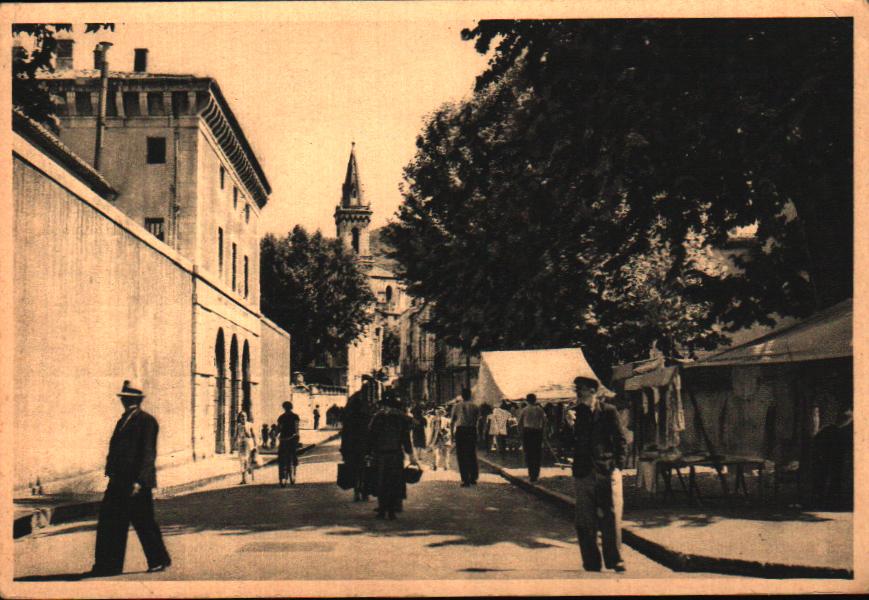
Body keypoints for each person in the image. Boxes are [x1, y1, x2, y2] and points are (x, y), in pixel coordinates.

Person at [88, 381, 171, 577]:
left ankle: (159, 560)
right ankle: (108, 565)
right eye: (123, 398)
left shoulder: (147, 421)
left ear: (135, 400)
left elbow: (148, 453)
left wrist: (140, 481)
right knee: (110, 522)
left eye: (127, 398)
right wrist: (109, 471)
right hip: (118, 481)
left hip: (135, 483)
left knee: (144, 522)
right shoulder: (123, 420)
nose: (124, 401)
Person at [572, 375, 628, 573]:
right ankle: (591, 562)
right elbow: (567, 442)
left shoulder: (608, 411)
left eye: (581, 388)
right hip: (583, 472)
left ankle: (615, 560)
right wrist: (569, 426)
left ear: (593, 391)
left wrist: (618, 466)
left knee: (610, 517)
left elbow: (621, 439)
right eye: (576, 389)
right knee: (584, 520)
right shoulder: (575, 413)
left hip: (606, 470)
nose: (577, 392)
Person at [368, 390, 419, 519]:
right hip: (395, 455)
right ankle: (391, 511)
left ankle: (382, 510)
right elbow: (406, 440)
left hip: (380, 455)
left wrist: (368, 453)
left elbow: (371, 437)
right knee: (393, 482)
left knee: (381, 482)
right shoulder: (401, 418)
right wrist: (412, 456)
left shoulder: (377, 417)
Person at [341, 384, 373, 501]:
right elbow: (370, 434)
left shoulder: (349, 420)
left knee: (354, 468)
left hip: (352, 447)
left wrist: (344, 450)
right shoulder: (366, 417)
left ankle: (356, 491)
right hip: (364, 447)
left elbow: (345, 435)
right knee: (365, 469)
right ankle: (364, 491)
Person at [451, 388, 481, 487]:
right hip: (472, 430)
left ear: (462, 396)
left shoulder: (457, 406)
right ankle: (473, 477)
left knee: (462, 455)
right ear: (470, 395)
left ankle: (465, 479)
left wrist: (452, 435)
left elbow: (452, 422)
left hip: (461, 431)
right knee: (472, 454)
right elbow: (478, 421)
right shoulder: (475, 406)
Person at [518, 393, 547, 482]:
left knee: (529, 454)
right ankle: (536, 474)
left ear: (527, 400)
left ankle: (531, 475)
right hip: (537, 432)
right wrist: (544, 433)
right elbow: (545, 421)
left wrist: (520, 433)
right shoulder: (540, 410)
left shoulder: (524, 410)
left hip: (528, 433)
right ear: (535, 400)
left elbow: (519, 423)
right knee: (537, 454)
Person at [277, 402, 300, 487]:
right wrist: (297, 437)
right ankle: (292, 472)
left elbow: (279, 428)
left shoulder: (281, 417)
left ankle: (286, 475)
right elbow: (296, 428)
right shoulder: (295, 416)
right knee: (292, 454)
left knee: (282, 456)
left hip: (286, 438)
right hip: (290, 438)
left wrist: (277, 434)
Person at [235, 411, 258, 485]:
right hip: (241, 444)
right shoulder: (238, 426)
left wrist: (255, 445)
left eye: (244, 416)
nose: (243, 418)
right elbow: (236, 435)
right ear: (239, 418)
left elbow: (253, 435)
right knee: (242, 461)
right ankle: (243, 479)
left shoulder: (250, 425)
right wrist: (235, 443)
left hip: (248, 444)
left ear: (246, 417)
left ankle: (249, 472)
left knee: (247, 461)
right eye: (241, 416)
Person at [429, 407, 453, 471]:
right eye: (438, 412)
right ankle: (435, 465)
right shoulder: (433, 420)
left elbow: (451, 430)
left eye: (440, 412)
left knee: (446, 453)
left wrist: (445, 430)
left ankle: (446, 466)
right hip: (436, 439)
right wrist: (430, 440)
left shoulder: (447, 420)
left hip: (445, 438)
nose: (439, 414)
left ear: (443, 413)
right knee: (435, 453)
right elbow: (431, 430)